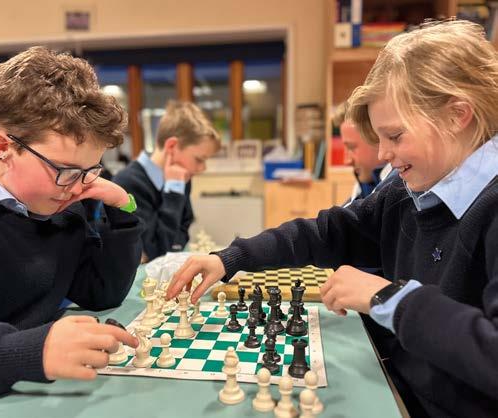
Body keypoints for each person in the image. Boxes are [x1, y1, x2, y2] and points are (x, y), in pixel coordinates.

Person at [167, 20, 498, 417]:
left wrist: (387, 298)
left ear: (457, 115)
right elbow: (327, 233)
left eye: (395, 136)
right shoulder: (408, 189)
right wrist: (232, 258)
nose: (382, 155)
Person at [0, 46, 142, 401]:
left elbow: (100, 293)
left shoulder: (63, 208)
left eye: (89, 171)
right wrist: (27, 351)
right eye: (65, 170)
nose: (77, 187)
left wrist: (122, 207)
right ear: (2, 147)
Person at [113, 100, 220, 262]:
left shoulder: (181, 178)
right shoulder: (128, 183)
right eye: (199, 159)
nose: (203, 168)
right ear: (171, 146)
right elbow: (156, 250)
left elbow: (182, 233)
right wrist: (173, 192)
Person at [332, 102, 392, 203]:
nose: (347, 161)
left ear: (379, 139)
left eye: (351, 147)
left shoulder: (402, 191)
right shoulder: (362, 190)